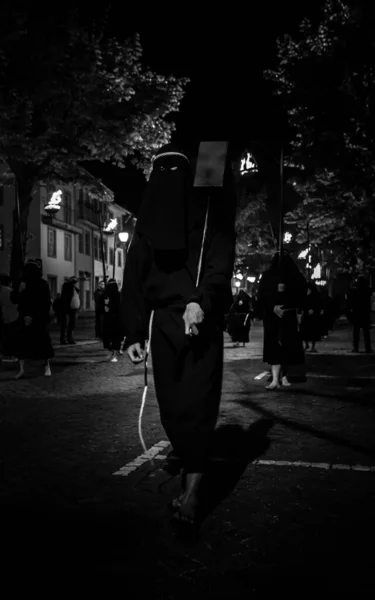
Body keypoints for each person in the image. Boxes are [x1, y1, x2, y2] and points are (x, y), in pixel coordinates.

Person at [120, 143, 236, 527]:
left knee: (199, 405)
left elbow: (220, 266)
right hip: (161, 324)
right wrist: (134, 330)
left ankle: (193, 492)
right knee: (173, 406)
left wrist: (199, 300)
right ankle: (191, 476)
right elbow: (133, 279)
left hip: (202, 318)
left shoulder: (209, 217)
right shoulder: (148, 224)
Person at [257, 252, 306, 389]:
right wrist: (273, 304)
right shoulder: (268, 276)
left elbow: (301, 293)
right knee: (274, 346)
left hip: (287, 315)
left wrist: (286, 292)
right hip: (272, 316)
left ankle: (284, 376)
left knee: (287, 345)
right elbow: (262, 296)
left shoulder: (294, 276)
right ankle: (275, 379)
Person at [11, 259, 54, 379]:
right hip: (25, 315)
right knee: (22, 344)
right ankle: (22, 369)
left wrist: (35, 317)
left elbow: (45, 302)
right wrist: (19, 290)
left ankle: (47, 366)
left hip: (38, 316)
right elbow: (14, 299)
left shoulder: (42, 284)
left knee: (42, 343)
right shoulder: (23, 283)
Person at [347, 275, 373, 353]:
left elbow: (350, 301)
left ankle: (356, 347)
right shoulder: (368, 290)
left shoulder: (355, 290)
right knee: (366, 332)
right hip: (365, 313)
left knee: (356, 332)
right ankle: (368, 348)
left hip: (357, 313)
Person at [102, 279, 123, 362]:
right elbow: (101, 306)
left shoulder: (118, 295)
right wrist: (105, 305)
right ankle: (111, 351)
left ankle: (115, 353)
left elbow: (119, 307)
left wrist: (109, 305)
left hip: (116, 319)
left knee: (116, 337)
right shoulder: (105, 295)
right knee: (107, 336)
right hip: (108, 319)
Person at [0, 276, 19, 361]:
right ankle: (12, 354)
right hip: (14, 316)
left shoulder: (1, 291)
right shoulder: (11, 291)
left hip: (5, 315)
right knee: (13, 336)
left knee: (5, 335)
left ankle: (5, 353)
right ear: (9, 282)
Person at [301, 282, 322, 352]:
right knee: (305, 331)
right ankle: (307, 345)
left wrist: (314, 310)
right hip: (307, 316)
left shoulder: (316, 297)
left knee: (313, 332)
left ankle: (312, 346)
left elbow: (318, 305)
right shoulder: (306, 296)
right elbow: (303, 305)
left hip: (314, 317)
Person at [59, 276, 80, 344]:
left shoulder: (74, 287)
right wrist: (72, 282)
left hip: (73, 308)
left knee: (72, 324)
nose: (75, 282)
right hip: (66, 308)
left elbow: (78, 290)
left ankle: (69, 338)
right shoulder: (67, 285)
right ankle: (63, 339)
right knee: (65, 324)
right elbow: (65, 297)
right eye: (74, 280)